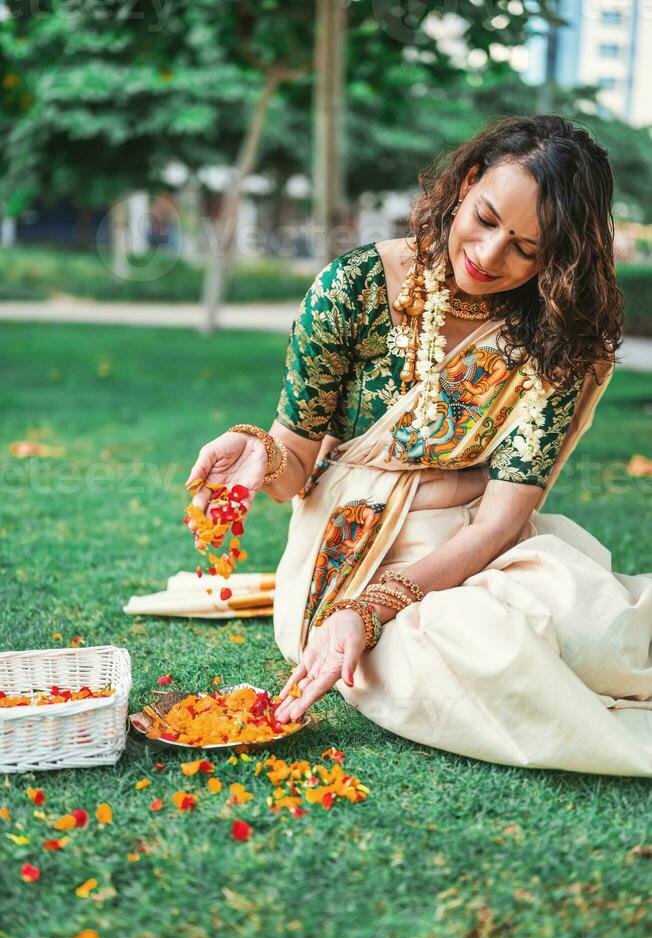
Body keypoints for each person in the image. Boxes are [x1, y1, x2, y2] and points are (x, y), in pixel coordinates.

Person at [185, 115, 652, 778]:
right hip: (346, 554)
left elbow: (501, 519)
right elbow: (294, 471)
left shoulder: (553, 331)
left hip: (478, 547)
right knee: (482, 650)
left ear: (560, 258)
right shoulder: (354, 289)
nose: (490, 256)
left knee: (595, 629)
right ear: (467, 182)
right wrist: (259, 449)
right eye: (486, 218)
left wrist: (378, 607)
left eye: (527, 248)